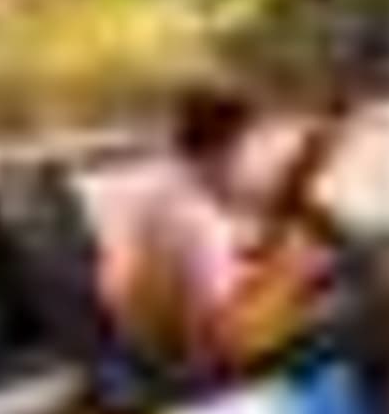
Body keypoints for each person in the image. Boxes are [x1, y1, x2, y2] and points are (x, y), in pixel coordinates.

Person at [89, 83, 355, 396]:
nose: (251, 160)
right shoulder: (200, 223)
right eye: (247, 148)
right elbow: (225, 338)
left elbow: (269, 191)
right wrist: (296, 284)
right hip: (192, 372)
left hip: (146, 346)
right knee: (336, 301)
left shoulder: (164, 187)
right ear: (226, 147)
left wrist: (317, 149)